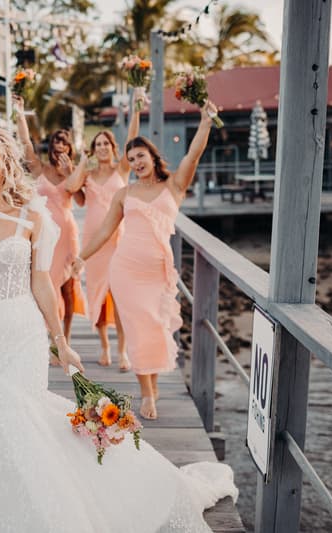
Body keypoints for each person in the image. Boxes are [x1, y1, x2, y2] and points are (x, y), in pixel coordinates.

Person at [0, 126, 236, 532]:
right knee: (0, 436)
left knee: (22, 429)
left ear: (7, 166)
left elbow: (41, 283)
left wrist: (61, 343)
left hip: (22, 337)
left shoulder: (30, 218)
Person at [75, 102, 219, 421]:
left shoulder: (174, 186)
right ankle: (147, 392)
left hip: (157, 272)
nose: (136, 162)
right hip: (125, 270)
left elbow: (192, 155)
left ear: (153, 156)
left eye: (140, 156)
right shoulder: (124, 194)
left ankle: (152, 384)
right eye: (131, 159)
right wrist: (80, 258)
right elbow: (103, 232)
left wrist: (205, 123)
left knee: (154, 326)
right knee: (138, 328)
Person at [65, 88, 145, 371]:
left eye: (105, 144)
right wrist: (80, 165)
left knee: (120, 298)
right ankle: (105, 346)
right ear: (93, 148)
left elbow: (133, 136)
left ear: (113, 148)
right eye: (97, 144)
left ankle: (123, 351)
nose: (101, 148)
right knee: (98, 295)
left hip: (119, 240)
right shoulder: (87, 174)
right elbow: (72, 191)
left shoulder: (122, 169)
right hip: (93, 241)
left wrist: (135, 109)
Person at [13, 96, 85, 346]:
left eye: (63, 143)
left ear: (69, 147)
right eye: (55, 142)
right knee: (45, 282)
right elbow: (25, 143)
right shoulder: (39, 168)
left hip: (67, 234)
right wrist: (20, 114)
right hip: (44, 233)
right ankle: (47, 333)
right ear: (51, 146)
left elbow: (82, 200)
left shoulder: (73, 170)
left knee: (68, 286)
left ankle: (65, 335)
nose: (59, 146)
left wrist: (69, 174)